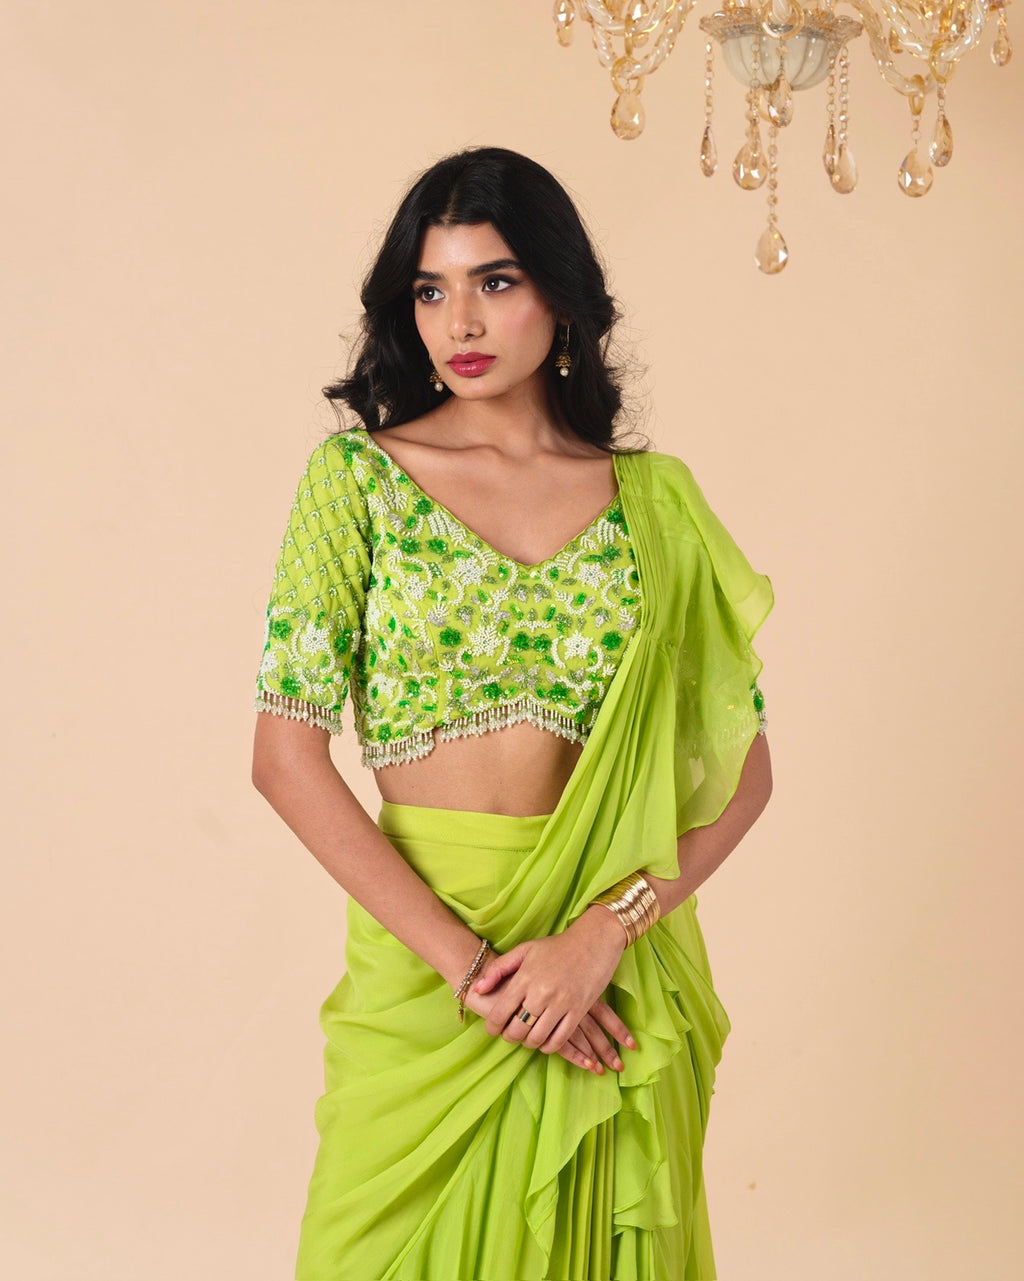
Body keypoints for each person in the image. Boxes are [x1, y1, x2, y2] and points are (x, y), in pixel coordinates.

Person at [251, 146, 774, 1281]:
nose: (458, 320)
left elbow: (743, 778)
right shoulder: (358, 483)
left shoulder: (656, 502)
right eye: (429, 290)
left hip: (609, 974)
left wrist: (601, 936)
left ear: (562, 295)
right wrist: (474, 971)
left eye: (495, 280)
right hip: (431, 975)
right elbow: (285, 759)